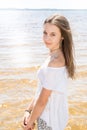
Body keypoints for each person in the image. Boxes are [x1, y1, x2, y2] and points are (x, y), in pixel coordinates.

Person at [22, 14, 75, 130]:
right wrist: (28, 110)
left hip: (50, 119)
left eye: (53, 34)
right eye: (45, 33)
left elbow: (42, 100)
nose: (47, 38)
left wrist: (29, 123)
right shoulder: (55, 55)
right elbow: (40, 90)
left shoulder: (55, 62)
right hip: (51, 115)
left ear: (62, 36)